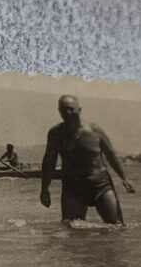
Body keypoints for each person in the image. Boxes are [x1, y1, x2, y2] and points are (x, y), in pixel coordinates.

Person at [40, 94, 135, 224]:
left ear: (79, 110)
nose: (67, 113)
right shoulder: (56, 133)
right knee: (72, 230)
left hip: (101, 185)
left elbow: (111, 155)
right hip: (73, 188)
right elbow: (49, 161)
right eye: (63, 110)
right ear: (59, 112)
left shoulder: (95, 131)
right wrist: (45, 189)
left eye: (70, 109)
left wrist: (124, 178)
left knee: (117, 227)